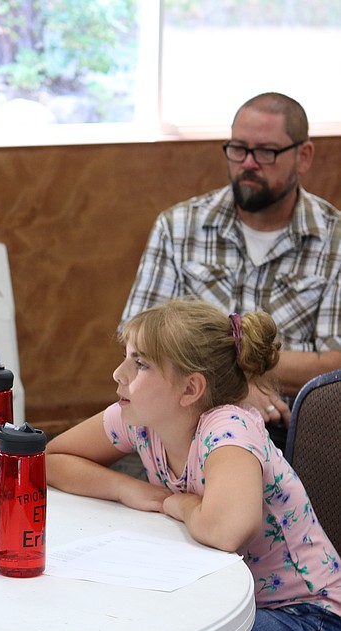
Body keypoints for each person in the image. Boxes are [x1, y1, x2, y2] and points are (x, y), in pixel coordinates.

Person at [33, 299, 341, 631]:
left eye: (139, 364)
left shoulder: (229, 427)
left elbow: (225, 528)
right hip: (216, 604)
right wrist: (136, 491)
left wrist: (176, 504)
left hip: (309, 620)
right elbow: (51, 458)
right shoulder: (143, 419)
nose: (118, 375)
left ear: (191, 388)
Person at [121, 92, 341, 447]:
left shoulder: (335, 239)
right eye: (238, 148)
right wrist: (236, 391)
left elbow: (334, 365)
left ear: (303, 156)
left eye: (266, 151)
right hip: (186, 427)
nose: (248, 163)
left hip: (294, 434)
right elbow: (139, 345)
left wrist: (223, 374)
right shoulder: (178, 227)